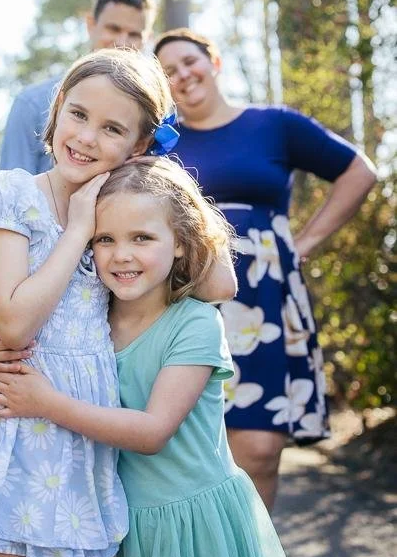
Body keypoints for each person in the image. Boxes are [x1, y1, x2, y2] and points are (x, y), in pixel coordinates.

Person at [0, 49, 236, 557]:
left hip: (88, 446)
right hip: (12, 434)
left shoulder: (118, 209)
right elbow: (15, 324)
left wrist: (163, 179)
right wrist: (77, 229)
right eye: (77, 114)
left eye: (113, 129)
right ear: (55, 113)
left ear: (139, 144)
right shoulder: (12, 195)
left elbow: (219, 282)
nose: (87, 137)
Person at [0, 157, 306, 557]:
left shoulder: (195, 323)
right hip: (120, 525)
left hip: (192, 526)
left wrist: (46, 403)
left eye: (142, 238)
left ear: (180, 244)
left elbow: (154, 431)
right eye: (105, 239)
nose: (122, 255)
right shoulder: (87, 319)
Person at [154, 28, 378, 510]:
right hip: (186, 296)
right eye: (168, 71)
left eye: (190, 61)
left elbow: (360, 172)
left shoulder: (275, 124)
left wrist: (304, 242)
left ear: (213, 62)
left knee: (258, 449)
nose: (183, 75)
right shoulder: (161, 146)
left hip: (265, 300)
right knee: (188, 447)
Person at [0, 0, 156, 174]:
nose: (122, 43)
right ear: (91, 24)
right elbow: (15, 183)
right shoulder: (32, 103)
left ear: (147, 38)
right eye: (113, 29)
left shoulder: (150, 112)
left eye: (134, 35)